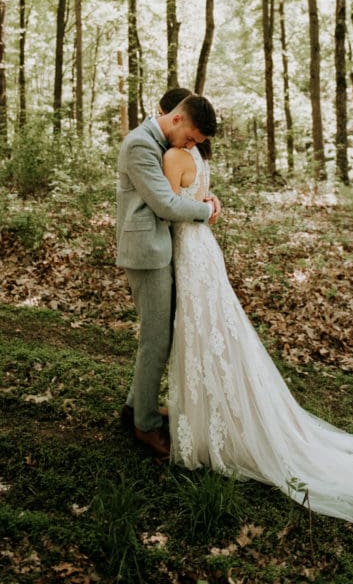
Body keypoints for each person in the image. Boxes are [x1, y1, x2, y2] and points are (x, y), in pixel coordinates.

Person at [162, 141, 353, 524]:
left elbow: (167, 208)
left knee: (203, 333)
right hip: (204, 248)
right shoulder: (200, 159)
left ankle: (209, 433)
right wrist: (208, 206)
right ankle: (208, 423)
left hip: (189, 251)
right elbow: (204, 207)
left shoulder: (173, 156)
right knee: (210, 333)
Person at [116, 92, 221, 458]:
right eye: (191, 138)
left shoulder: (159, 141)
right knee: (156, 340)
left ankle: (134, 408)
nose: (190, 146)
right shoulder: (140, 145)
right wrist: (206, 211)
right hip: (146, 253)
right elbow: (165, 203)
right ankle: (145, 424)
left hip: (162, 250)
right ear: (177, 120)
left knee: (162, 335)